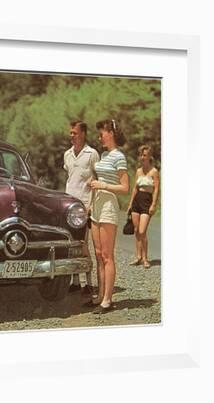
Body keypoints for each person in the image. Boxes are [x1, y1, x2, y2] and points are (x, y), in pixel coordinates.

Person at [87, 119, 129, 313]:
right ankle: (100, 295)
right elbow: (101, 179)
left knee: (107, 255)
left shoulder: (119, 157)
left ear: (110, 133)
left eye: (102, 132)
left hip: (109, 205)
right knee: (97, 254)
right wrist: (93, 185)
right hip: (96, 204)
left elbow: (125, 187)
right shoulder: (104, 155)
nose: (99, 136)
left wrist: (102, 185)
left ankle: (108, 300)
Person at [63, 120, 99, 295]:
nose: (72, 135)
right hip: (68, 207)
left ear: (83, 134)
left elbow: (97, 181)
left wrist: (91, 205)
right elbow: (71, 178)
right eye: (70, 132)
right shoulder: (67, 155)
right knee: (71, 244)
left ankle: (89, 283)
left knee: (83, 245)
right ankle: (75, 281)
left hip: (84, 207)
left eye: (74, 133)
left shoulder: (92, 154)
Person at [126, 145, 160, 268]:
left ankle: (146, 258)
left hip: (147, 201)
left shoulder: (154, 171)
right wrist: (130, 204)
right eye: (141, 155)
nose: (142, 157)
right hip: (137, 201)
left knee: (142, 231)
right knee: (136, 231)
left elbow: (156, 189)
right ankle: (138, 257)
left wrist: (153, 204)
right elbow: (135, 188)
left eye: (145, 155)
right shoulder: (138, 171)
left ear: (149, 156)